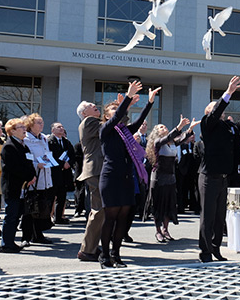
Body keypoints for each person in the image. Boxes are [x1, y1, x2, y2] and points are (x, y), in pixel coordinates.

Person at [198, 76, 240, 263]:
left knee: (220, 217)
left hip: (223, 177)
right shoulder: (207, 124)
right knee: (208, 216)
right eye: (216, 108)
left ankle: (216, 248)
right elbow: (215, 111)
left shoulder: (227, 126)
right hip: (208, 177)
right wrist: (228, 92)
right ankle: (205, 252)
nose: (220, 110)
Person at [98, 81, 159, 268]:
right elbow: (117, 117)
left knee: (123, 219)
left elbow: (138, 122)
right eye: (114, 111)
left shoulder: (125, 132)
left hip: (125, 178)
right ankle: (105, 255)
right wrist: (128, 98)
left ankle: (117, 254)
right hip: (110, 178)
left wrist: (149, 103)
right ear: (106, 116)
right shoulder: (105, 130)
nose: (119, 114)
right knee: (110, 218)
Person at [146, 116, 198, 242]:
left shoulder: (172, 143)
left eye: (164, 126)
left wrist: (189, 129)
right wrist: (179, 126)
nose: (164, 128)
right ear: (156, 132)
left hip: (170, 176)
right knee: (158, 205)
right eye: (161, 127)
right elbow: (168, 138)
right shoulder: (157, 142)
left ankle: (166, 229)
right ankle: (158, 231)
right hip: (159, 177)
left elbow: (181, 139)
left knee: (169, 204)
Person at [0, 118, 37, 253]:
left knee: (17, 215)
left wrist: (33, 176)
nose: (24, 129)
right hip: (13, 186)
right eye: (20, 127)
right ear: (12, 131)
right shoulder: (9, 146)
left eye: (23, 126)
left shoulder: (23, 145)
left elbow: (29, 163)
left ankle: (11, 241)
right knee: (11, 215)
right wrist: (28, 177)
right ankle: (6, 244)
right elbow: (14, 167)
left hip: (23, 186)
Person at [75, 101, 105, 262]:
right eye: (90, 105)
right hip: (96, 169)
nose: (95, 105)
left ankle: (91, 247)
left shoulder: (92, 122)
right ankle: (87, 250)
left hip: (97, 169)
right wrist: (124, 106)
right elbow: (110, 126)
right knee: (99, 210)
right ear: (84, 113)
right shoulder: (89, 122)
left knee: (101, 210)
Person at [22, 113, 54, 245]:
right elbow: (26, 159)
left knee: (40, 208)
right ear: (30, 125)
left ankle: (38, 234)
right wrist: (36, 165)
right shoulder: (26, 139)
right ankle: (26, 236)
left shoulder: (44, 138)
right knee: (29, 209)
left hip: (45, 176)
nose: (42, 124)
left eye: (42, 122)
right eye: (38, 122)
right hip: (33, 178)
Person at [48, 122, 75, 224]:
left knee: (62, 197)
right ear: (53, 130)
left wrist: (69, 163)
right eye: (58, 127)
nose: (61, 128)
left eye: (62, 127)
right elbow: (50, 156)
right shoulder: (49, 141)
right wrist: (61, 164)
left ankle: (58, 217)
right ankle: (48, 217)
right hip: (54, 173)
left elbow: (72, 154)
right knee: (51, 197)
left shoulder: (66, 142)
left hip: (65, 174)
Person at [72, 142, 85, 218]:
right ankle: (78, 209)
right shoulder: (78, 146)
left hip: (88, 171)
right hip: (80, 172)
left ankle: (83, 208)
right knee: (79, 191)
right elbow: (76, 158)